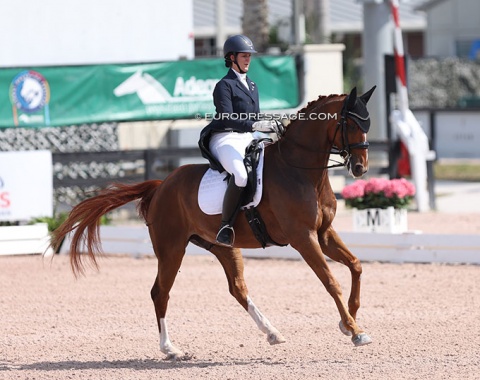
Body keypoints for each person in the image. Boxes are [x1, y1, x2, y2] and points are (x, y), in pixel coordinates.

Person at [198, 34, 281, 247]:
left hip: (246, 137)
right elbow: (227, 117)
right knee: (241, 175)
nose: (248, 60)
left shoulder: (252, 86)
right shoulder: (224, 86)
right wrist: (254, 126)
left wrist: (270, 126)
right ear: (232, 57)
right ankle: (225, 226)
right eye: (244, 56)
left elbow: (255, 117)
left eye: (249, 56)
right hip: (224, 137)